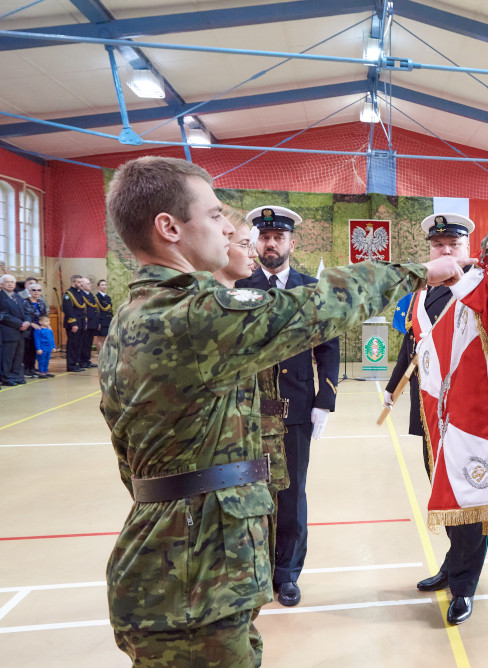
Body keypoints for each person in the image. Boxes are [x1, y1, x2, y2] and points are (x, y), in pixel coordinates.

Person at [98, 155, 469, 667]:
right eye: (215, 215)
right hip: (196, 570)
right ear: (169, 228)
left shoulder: (135, 314)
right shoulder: (193, 317)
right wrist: (420, 272)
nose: (229, 229)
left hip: (179, 556)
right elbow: (320, 307)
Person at [384, 212, 488, 626]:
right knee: (444, 495)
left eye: (454, 245)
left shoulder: (481, 288)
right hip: (429, 413)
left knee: (469, 501)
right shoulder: (421, 293)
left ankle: (465, 585)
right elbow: (412, 345)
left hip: (467, 417)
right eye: (438, 245)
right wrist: (392, 388)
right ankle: (452, 566)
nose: (445, 251)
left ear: (468, 248)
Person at [234, 205, 341, 608]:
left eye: (278, 237)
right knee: (250, 493)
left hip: (295, 408)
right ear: (256, 243)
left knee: (292, 494)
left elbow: (328, 345)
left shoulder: (309, 288)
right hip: (247, 412)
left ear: (292, 243)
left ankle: (288, 573)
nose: (271, 243)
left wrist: (324, 400)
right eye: (264, 237)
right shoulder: (239, 287)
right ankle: (257, 569)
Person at [212, 209, 289, 660]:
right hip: (224, 474)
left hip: (266, 441)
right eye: (244, 242)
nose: (255, 250)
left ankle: (279, 580)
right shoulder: (215, 309)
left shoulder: (232, 300)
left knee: (277, 514)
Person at [1, 273, 31, 386]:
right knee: (7, 357)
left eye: (12, 282)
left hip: (21, 331)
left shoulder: (18, 296)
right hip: (8, 330)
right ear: (1, 284)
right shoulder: (1, 297)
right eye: (7, 282)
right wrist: (20, 324)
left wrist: (27, 322)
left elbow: (26, 311)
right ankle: (6, 377)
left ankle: (17, 376)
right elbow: (3, 315)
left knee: (19, 356)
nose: (10, 284)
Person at [62, 274, 88, 372]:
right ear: (73, 282)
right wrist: (73, 324)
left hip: (81, 323)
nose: (81, 284)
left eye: (81, 282)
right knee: (72, 345)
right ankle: (71, 365)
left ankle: (76, 363)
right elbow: (68, 310)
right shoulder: (68, 294)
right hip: (74, 324)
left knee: (78, 345)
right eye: (79, 282)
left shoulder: (80, 293)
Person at [22, 282, 47, 378]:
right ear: (29, 291)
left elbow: (44, 315)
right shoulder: (24, 302)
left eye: (38, 290)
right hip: (28, 330)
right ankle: (26, 369)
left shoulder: (41, 302)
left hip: (39, 330)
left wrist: (46, 325)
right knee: (28, 350)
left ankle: (32, 368)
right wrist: (31, 323)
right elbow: (22, 315)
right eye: (34, 290)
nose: (36, 292)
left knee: (35, 349)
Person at [80, 277, 100, 368]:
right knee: (83, 343)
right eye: (87, 284)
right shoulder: (81, 295)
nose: (90, 285)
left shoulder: (91, 295)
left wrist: (97, 322)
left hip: (92, 323)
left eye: (90, 283)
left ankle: (87, 360)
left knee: (89, 343)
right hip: (86, 323)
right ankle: (82, 361)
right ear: (82, 285)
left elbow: (95, 310)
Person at [94, 279, 113, 355]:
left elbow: (110, 310)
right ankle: (100, 357)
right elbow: (96, 311)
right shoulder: (97, 298)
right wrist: (97, 322)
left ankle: (104, 356)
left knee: (105, 339)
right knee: (100, 339)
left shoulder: (108, 298)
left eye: (105, 285)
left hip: (107, 320)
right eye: (102, 285)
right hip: (101, 321)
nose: (104, 286)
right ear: (98, 287)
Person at [33, 314, 55, 379]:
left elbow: (52, 339)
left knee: (47, 360)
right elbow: (37, 340)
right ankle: (41, 372)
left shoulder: (49, 330)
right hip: (42, 348)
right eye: (46, 321)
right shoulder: (38, 330)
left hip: (48, 348)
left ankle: (46, 372)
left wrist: (53, 347)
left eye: (48, 321)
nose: (48, 323)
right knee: (41, 361)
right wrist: (38, 348)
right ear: (40, 322)